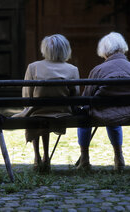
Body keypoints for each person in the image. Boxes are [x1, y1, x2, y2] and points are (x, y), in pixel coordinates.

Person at [76, 32, 130, 171]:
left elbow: (86, 98)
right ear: (122, 48)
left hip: (102, 112)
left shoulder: (98, 70)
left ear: (104, 51)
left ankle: (84, 158)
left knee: (85, 117)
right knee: (114, 115)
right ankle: (119, 157)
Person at [13, 34, 80, 172]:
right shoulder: (72, 69)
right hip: (61, 112)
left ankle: (37, 157)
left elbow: (27, 96)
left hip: (36, 112)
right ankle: (46, 157)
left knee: (34, 112)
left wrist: (30, 108)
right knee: (44, 114)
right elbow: (75, 96)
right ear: (65, 49)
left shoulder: (33, 67)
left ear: (45, 49)